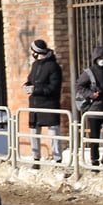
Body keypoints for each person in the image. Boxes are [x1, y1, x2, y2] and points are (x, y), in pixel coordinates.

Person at [25, 39, 64, 167]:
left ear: (36, 51)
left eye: (32, 50)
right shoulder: (35, 65)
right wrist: (27, 85)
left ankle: (58, 159)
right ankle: (36, 159)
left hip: (49, 104)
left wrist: (36, 89)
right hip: (35, 104)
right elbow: (31, 79)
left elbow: (53, 87)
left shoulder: (53, 66)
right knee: (34, 132)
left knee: (53, 132)